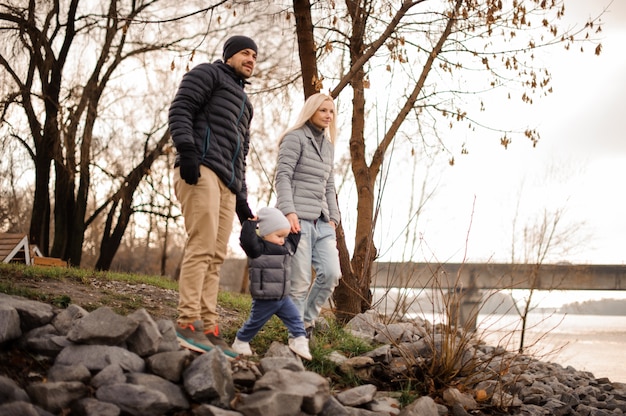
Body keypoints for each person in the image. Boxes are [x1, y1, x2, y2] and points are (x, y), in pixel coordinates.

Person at [168, 35, 258, 357]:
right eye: (245, 53)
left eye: (254, 56)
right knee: (202, 246)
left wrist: (242, 199)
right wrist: (187, 150)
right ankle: (187, 323)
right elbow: (181, 108)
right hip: (201, 168)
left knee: (217, 256)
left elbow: (241, 156)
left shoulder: (246, 104)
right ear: (230, 55)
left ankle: (208, 327)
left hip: (227, 184)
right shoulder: (208, 73)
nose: (251, 59)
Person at [274, 93, 342, 336]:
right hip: (297, 220)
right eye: (323, 110)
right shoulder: (295, 138)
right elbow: (282, 176)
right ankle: (297, 333)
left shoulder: (329, 146)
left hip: (323, 221)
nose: (328, 115)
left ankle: (305, 320)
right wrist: (288, 212)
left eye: (331, 111)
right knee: (300, 282)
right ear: (311, 111)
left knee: (332, 273)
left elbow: (329, 184)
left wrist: (334, 218)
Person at [231, 207, 312, 360]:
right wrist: (250, 224)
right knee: (255, 323)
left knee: (296, 319)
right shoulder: (258, 249)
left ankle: (300, 341)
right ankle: (241, 341)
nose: (283, 240)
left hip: (283, 298)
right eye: (279, 235)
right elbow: (247, 239)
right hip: (265, 298)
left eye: (285, 236)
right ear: (265, 233)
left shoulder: (287, 248)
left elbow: (294, 239)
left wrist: (295, 227)